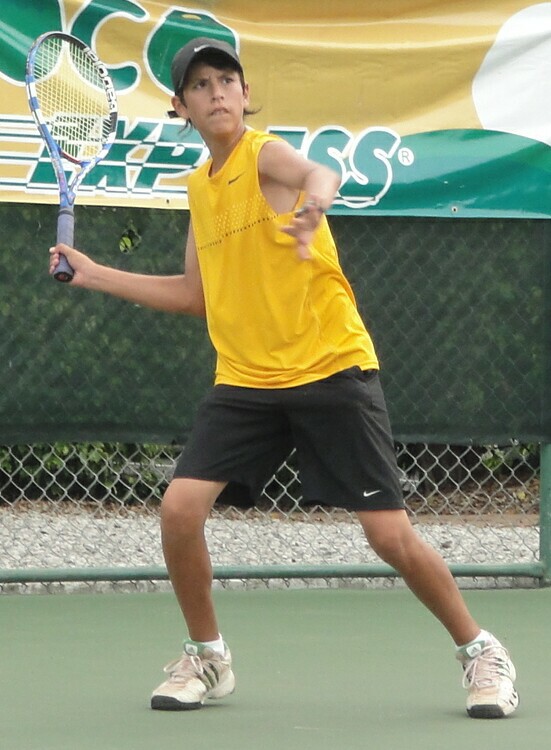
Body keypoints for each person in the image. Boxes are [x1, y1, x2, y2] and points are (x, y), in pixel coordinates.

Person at [49, 36, 519, 719]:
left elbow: (316, 172)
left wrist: (313, 206)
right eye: (201, 85)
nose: (217, 92)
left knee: (387, 537)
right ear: (180, 106)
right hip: (245, 379)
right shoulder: (198, 189)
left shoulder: (263, 154)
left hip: (330, 367)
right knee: (179, 511)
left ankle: (480, 651)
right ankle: (207, 654)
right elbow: (194, 295)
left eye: (227, 81)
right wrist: (92, 273)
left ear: (244, 95)